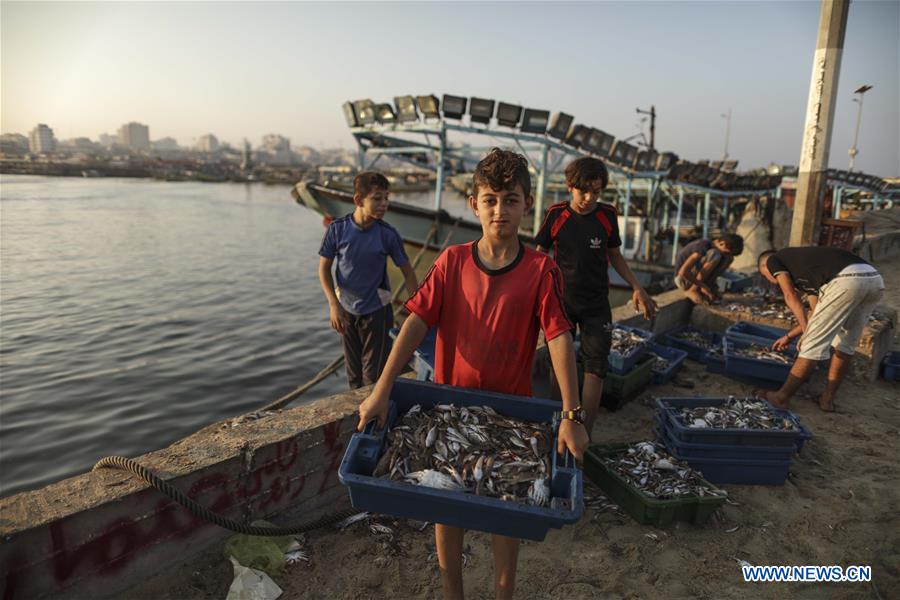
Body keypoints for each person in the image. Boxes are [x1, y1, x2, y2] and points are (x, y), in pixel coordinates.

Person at [357, 148, 587, 600]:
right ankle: (452, 593)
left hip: (510, 415)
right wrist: (381, 391)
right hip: (448, 410)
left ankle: (504, 593)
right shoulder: (452, 261)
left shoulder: (542, 270)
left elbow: (560, 338)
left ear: (527, 205)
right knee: (448, 510)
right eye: (491, 199)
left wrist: (572, 416)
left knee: (508, 508)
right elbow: (415, 322)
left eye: (511, 200)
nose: (500, 210)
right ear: (474, 204)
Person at [534, 156, 657, 438]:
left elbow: (615, 256)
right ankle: (559, 427)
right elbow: (539, 256)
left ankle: (584, 434)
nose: (590, 198)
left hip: (597, 305)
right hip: (561, 302)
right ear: (569, 187)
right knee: (561, 367)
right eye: (583, 191)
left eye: (596, 191)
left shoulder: (607, 215)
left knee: (596, 370)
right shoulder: (556, 214)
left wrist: (637, 286)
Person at [318, 171, 418, 389]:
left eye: (386, 198)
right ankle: (360, 421)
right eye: (377, 198)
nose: (384, 204)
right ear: (358, 200)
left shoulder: (388, 234)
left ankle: (373, 419)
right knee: (353, 376)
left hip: (377, 313)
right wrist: (334, 305)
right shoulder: (338, 230)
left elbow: (408, 272)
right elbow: (324, 269)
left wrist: (417, 309)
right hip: (345, 310)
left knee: (372, 376)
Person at [755, 246, 884, 411]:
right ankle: (827, 400)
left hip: (846, 280)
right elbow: (815, 316)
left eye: (766, 276)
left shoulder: (773, 260)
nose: (770, 279)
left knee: (812, 345)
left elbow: (790, 296)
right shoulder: (810, 272)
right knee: (845, 344)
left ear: (766, 268)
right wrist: (790, 336)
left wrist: (808, 334)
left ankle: (781, 398)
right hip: (874, 280)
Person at [673, 233, 744, 305]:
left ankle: (707, 287)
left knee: (729, 258)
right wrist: (702, 285)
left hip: (695, 280)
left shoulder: (721, 251)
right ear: (722, 243)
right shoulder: (702, 246)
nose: (726, 254)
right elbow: (683, 272)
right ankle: (692, 290)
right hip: (683, 280)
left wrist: (709, 287)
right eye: (726, 252)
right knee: (715, 254)